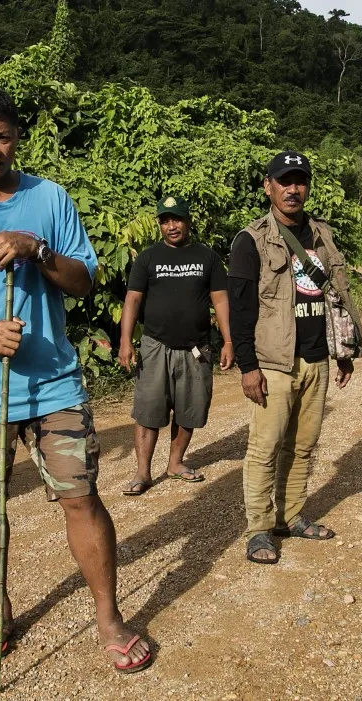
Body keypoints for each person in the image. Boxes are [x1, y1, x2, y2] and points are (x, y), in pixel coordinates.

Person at [0, 87, 152, 673]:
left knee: (81, 498)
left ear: (17, 139)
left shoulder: (50, 198)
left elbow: (84, 282)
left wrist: (34, 247)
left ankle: (109, 618)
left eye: (2, 136)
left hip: (53, 386)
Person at [228, 150, 362, 565]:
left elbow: (337, 296)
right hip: (273, 362)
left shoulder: (321, 234)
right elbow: (240, 310)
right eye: (284, 181)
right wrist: (248, 367)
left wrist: (343, 352)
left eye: (300, 181)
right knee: (265, 448)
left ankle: (290, 516)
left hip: (316, 359)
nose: (293, 189)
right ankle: (258, 529)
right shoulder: (250, 240)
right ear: (268, 186)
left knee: (303, 447)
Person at [117, 195, 233, 496]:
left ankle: (175, 463)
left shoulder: (208, 257)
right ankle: (142, 473)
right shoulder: (147, 258)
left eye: (177, 219)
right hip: (155, 346)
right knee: (148, 410)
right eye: (166, 220)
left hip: (196, 348)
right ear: (160, 224)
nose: (172, 226)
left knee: (189, 409)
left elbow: (220, 300)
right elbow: (133, 299)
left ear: (188, 221)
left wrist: (228, 340)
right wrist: (125, 341)